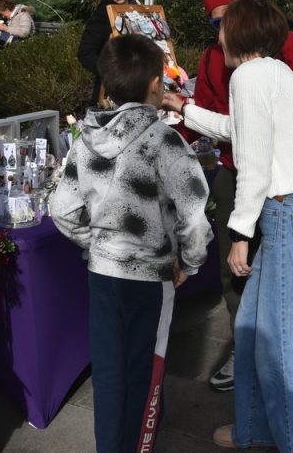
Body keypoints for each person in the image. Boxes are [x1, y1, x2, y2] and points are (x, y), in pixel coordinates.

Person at [168, 0, 293, 452]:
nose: (217, 36)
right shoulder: (270, 73)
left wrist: (239, 233)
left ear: (238, 31)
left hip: (286, 212)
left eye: (221, 27)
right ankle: (257, 427)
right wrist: (182, 106)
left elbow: (253, 164)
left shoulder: (250, 76)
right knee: (254, 328)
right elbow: (237, 130)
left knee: (283, 343)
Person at [50, 33, 213, 453]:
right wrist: (189, 262)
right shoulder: (165, 141)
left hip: (103, 275)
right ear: (156, 84)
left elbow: (62, 210)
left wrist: (98, 244)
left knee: (109, 375)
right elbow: (195, 217)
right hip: (150, 279)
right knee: (145, 374)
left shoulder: (87, 139)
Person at [77, 0, 139, 105]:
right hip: (112, 94)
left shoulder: (138, 7)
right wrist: (111, 72)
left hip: (139, 89)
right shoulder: (103, 13)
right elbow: (85, 53)